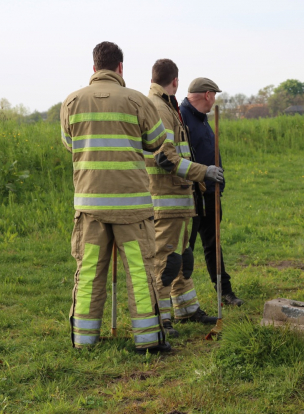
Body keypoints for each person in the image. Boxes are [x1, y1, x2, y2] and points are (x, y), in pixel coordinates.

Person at [60, 41, 170, 353]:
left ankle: (83, 339)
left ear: (94, 67)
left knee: (90, 273)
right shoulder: (137, 100)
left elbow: (71, 144)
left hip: (90, 207)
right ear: (120, 68)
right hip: (132, 209)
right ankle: (148, 341)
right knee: (139, 271)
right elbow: (157, 142)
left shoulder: (71, 101)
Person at [145, 59, 224, 335]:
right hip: (166, 201)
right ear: (175, 81)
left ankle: (186, 309)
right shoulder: (158, 108)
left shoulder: (168, 105)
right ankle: (160, 319)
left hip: (179, 200)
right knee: (166, 263)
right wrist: (205, 172)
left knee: (182, 260)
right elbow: (165, 158)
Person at [180, 78, 244, 307]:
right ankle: (180, 302)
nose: (214, 99)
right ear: (207, 95)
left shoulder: (202, 120)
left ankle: (225, 292)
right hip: (190, 197)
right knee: (184, 250)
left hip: (211, 195)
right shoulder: (181, 117)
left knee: (213, 245)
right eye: (214, 95)